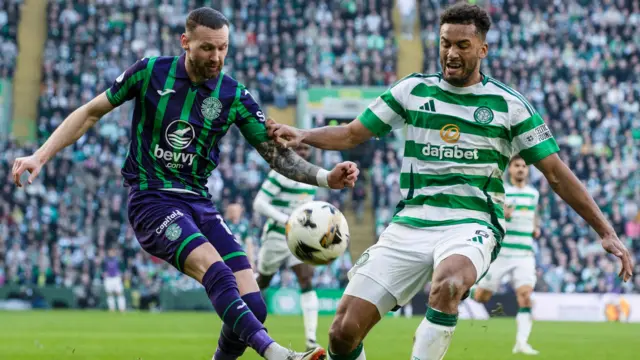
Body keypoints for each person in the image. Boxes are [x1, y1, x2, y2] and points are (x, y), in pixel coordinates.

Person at [266, 3, 633, 360]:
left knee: (450, 284)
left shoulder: (509, 105)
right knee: (342, 334)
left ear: (483, 49)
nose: (451, 53)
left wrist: (605, 231)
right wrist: (302, 135)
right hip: (410, 223)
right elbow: (350, 133)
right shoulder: (412, 91)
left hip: (471, 223)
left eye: (462, 45)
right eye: (445, 43)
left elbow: (556, 173)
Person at [13, 7, 360, 360]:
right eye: (208, 48)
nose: (217, 57)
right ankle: (276, 353)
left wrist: (324, 177)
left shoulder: (233, 94)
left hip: (199, 203)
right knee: (218, 272)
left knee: (254, 305)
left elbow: (275, 154)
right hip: (152, 200)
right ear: (185, 42)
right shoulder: (150, 72)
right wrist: (40, 155)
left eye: (223, 48)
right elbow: (90, 112)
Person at [470, 154, 540, 355]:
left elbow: (534, 215)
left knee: (525, 296)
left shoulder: (533, 194)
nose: (521, 169)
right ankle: (470, 290)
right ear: (510, 169)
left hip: (524, 253)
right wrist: (502, 215)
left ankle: (521, 342)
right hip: (502, 254)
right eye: (517, 165)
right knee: (483, 297)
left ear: (527, 170)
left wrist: (535, 228)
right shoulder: (503, 193)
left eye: (524, 166)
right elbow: (489, 216)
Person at [253, 143, 320, 351]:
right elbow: (259, 203)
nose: (302, 152)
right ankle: (236, 318)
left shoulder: (312, 179)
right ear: (289, 150)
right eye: (298, 149)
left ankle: (311, 339)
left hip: (298, 236)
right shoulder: (279, 173)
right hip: (275, 235)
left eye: (305, 149)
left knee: (306, 279)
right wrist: (286, 219)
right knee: (262, 281)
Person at [104, 247, 127, 313]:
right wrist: (104, 273)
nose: (111, 253)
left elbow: (123, 268)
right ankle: (112, 309)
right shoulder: (106, 260)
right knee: (109, 294)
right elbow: (103, 269)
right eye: (110, 252)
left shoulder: (118, 260)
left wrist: (121, 274)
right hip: (108, 278)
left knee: (119, 293)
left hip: (116, 278)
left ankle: (122, 308)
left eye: (112, 252)